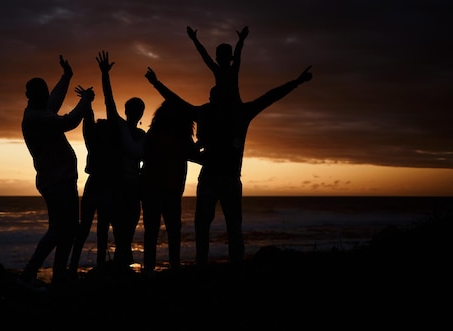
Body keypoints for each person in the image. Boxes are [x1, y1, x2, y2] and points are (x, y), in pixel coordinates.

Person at [145, 64, 313, 271]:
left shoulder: (234, 112)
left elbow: (270, 97)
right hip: (215, 178)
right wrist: (156, 83)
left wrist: (296, 82)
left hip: (225, 178)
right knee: (213, 226)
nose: (218, 102)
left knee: (225, 226)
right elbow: (178, 102)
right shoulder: (222, 112)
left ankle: (223, 265)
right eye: (216, 98)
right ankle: (210, 266)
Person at [18, 55, 95, 289]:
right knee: (60, 229)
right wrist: (87, 101)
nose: (45, 95)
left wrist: (66, 76)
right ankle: (30, 273)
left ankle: (57, 275)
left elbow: (54, 101)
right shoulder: (37, 117)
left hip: (60, 179)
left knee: (67, 230)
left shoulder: (40, 112)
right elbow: (70, 121)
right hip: (56, 181)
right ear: (32, 96)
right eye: (41, 92)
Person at [141, 68, 203, 275]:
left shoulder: (156, 133)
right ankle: (170, 267)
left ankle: (151, 268)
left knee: (154, 231)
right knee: (171, 231)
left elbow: (192, 155)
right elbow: (195, 156)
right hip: (167, 189)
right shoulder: (177, 137)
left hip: (157, 188)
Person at [97, 50, 146, 276]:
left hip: (134, 185)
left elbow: (146, 158)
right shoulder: (119, 125)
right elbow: (109, 101)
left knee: (129, 226)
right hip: (120, 184)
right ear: (127, 111)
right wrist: (105, 76)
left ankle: (122, 263)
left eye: (139, 110)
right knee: (119, 226)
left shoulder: (143, 135)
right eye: (133, 110)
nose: (135, 113)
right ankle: (120, 265)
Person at [68, 99, 118, 277]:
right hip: (99, 186)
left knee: (95, 228)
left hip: (100, 186)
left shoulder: (100, 143)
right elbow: (88, 123)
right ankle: (78, 266)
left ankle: (82, 266)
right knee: (93, 229)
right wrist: (87, 103)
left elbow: (88, 124)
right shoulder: (101, 143)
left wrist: (88, 103)